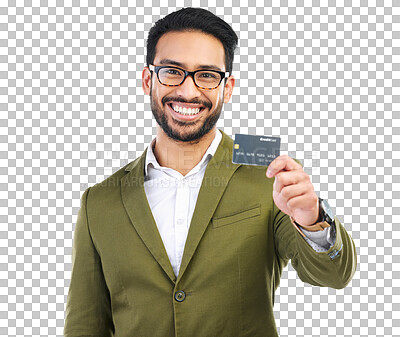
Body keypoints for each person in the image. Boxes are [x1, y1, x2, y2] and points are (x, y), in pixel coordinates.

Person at [63, 7, 357, 337]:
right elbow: (84, 326)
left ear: (227, 88)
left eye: (206, 75)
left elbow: (334, 275)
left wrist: (311, 219)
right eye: (172, 71)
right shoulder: (98, 201)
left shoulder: (269, 172)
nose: (188, 92)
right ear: (148, 80)